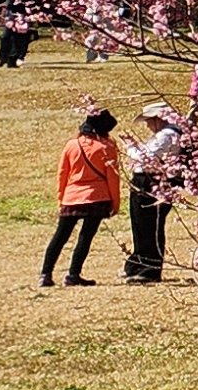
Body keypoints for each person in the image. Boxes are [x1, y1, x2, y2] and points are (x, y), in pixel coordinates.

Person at [43, 108, 120, 287]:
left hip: (71, 197)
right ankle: (73, 273)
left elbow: (62, 174)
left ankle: (46, 273)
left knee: (60, 236)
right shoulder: (108, 148)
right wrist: (115, 203)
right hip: (97, 197)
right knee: (85, 237)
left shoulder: (72, 145)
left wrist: (61, 198)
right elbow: (113, 178)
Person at [119, 103, 184, 284]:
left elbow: (146, 158)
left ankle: (149, 270)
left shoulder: (168, 135)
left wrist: (130, 147)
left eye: (149, 121)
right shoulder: (162, 135)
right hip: (145, 181)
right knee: (140, 225)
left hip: (154, 183)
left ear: (159, 119)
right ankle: (137, 264)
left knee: (150, 226)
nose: (147, 125)